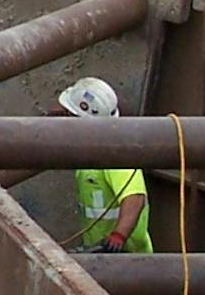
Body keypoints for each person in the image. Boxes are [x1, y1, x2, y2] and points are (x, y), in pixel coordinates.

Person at [56, 76, 152, 254]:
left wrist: (119, 236)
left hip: (127, 256)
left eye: (70, 115)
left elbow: (135, 197)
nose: (66, 121)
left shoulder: (115, 154)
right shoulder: (91, 152)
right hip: (101, 252)